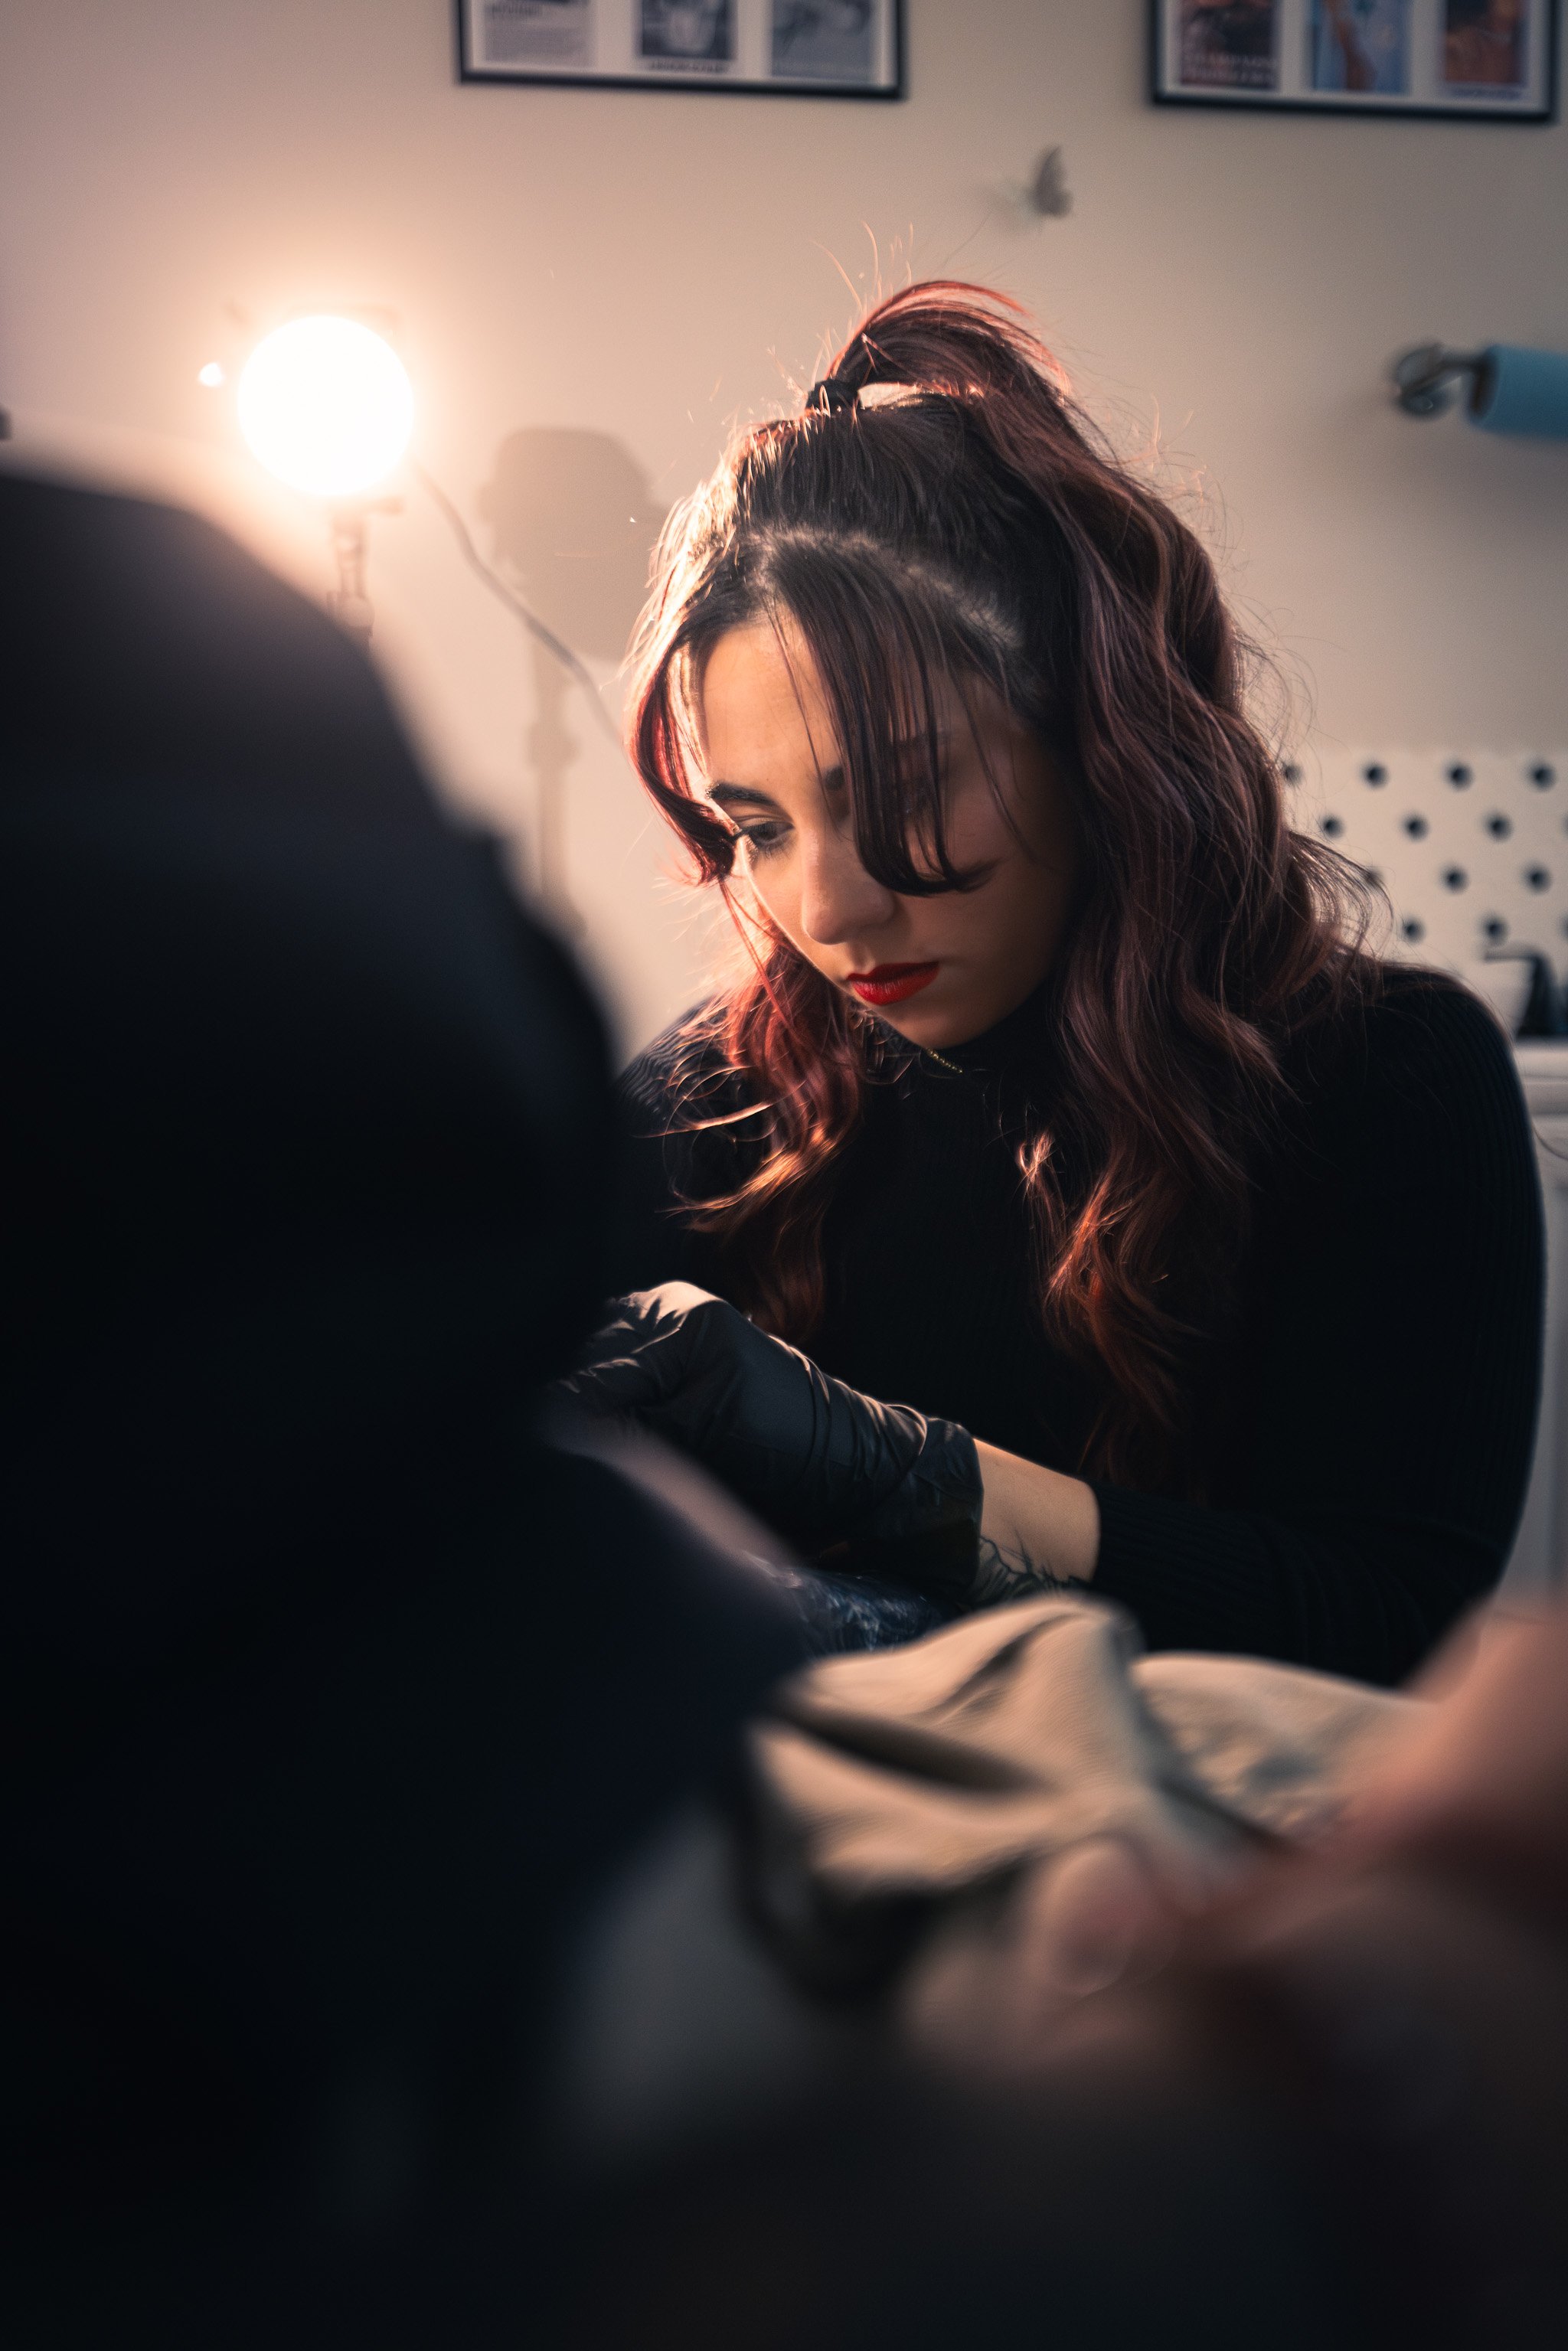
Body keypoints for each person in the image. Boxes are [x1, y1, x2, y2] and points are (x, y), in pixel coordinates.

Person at [590, 281, 1543, 1687]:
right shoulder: (716, 1096)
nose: (826, 909)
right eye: (759, 829)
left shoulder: (1385, 1075)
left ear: (1100, 744)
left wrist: (900, 1473)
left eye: (904, 794)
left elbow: (1381, 1618)